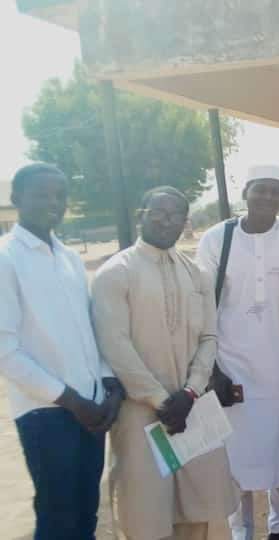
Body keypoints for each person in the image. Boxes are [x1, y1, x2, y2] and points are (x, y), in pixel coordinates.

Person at [92, 186, 237, 540]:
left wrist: (190, 392)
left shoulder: (196, 273)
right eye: (158, 212)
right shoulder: (115, 272)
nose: (166, 221)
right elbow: (115, 345)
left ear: (185, 222)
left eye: (176, 215)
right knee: (148, 510)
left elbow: (209, 337)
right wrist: (161, 401)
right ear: (140, 215)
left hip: (192, 406)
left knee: (201, 504)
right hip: (140, 410)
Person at [0, 163, 124, 539]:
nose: (53, 203)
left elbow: (90, 329)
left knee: (86, 513)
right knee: (58, 518)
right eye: (42, 194)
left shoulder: (68, 257)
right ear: (16, 198)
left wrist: (108, 383)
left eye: (60, 196)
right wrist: (71, 400)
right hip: (46, 413)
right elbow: (6, 351)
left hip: (91, 409)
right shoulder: (6, 258)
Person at [196, 166, 279, 540]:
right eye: (260, 189)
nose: (267, 197)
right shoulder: (217, 239)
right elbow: (202, 302)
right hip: (231, 362)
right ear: (245, 191)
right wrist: (212, 367)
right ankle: (241, 531)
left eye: (275, 191)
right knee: (236, 453)